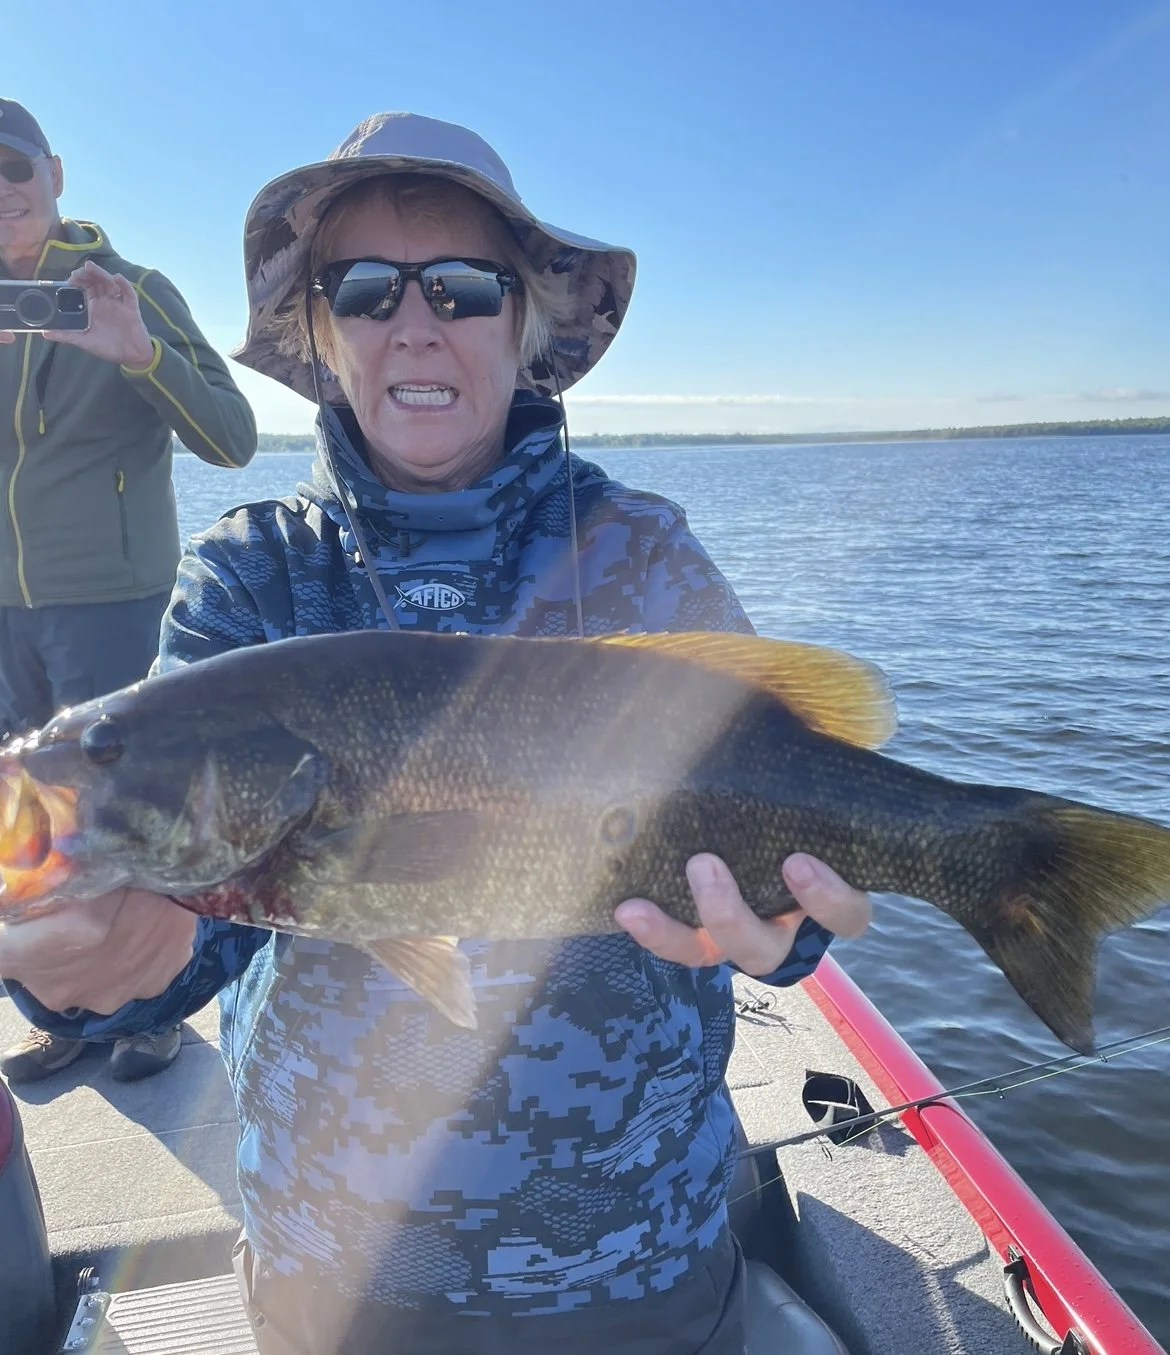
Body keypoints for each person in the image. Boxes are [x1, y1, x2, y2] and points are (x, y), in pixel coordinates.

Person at [0, 113, 871, 1353]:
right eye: (364, 289)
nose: (414, 322)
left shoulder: (645, 556)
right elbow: (195, 936)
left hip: (636, 1262)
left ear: (525, 322)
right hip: (331, 1271)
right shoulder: (248, 580)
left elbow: (779, 850)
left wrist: (784, 942)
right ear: (321, 331)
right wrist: (80, 954)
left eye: (463, 287)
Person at [0, 98, 257, 1086]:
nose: (3, 195)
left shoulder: (130, 287)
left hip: (111, 604)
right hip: (4, 616)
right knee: (26, 829)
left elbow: (230, 435)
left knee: (131, 817)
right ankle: (58, 1007)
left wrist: (138, 354)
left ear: (55, 173)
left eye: (14, 169)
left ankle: (153, 1015)